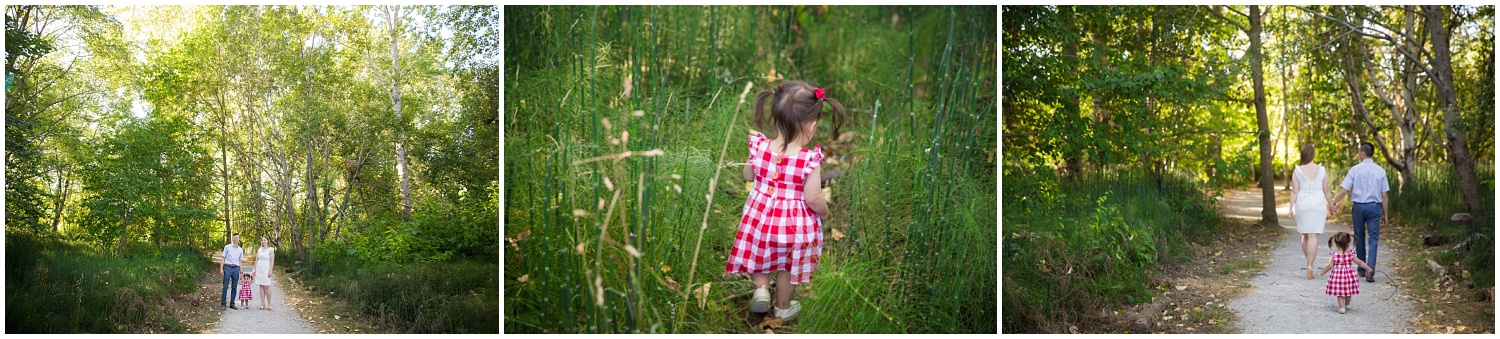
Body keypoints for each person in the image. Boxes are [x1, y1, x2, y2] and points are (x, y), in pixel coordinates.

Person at [724, 80, 850, 322]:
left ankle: (760, 290)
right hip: (793, 225)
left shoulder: (760, 147)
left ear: (775, 118)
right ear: (812, 126)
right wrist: (824, 212)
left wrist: (758, 175)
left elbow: (748, 175)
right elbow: (813, 197)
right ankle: (782, 307)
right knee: (787, 267)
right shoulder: (808, 159)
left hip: (759, 217)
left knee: (760, 254)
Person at [1329, 141, 1391, 283]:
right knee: (1374, 239)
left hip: (1358, 208)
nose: (1358, 154)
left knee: (1359, 237)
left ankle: (1362, 270)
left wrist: (1334, 203)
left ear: (1363, 153)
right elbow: (1384, 196)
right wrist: (1385, 213)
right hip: (1374, 207)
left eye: (1359, 152)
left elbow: (1344, 190)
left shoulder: (1355, 170)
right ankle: (1370, 271)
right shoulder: (1380, 171)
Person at [1288, 144, 1333, 280]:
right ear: (1313, 154)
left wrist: (1290, 208)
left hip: (1302, 204)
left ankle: (1309, 263)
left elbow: (1295, 191)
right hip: (1317, 205)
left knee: (1305, 236)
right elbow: (1326, 190)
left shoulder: (1297, 171)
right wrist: (1332, 205)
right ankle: (1310, 267)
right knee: (1314, 236)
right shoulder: (1322, 170)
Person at [1319, 232, 1376, 314]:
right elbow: (1359, 262)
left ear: (1336, 244)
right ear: (1348, 244)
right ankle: (1347, 304)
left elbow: (1330, 265)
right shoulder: (1351, 254)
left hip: (1337, 276)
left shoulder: (1334, 254)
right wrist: (1368, 268)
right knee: (1348, 290)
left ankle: (1342, 307)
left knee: (1340, 292)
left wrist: (1324, 271)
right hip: (1349, 275)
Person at [220, 233, 244, 310]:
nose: (236, 239)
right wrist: (221, 268)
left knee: (234, 287)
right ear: (232, 238)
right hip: (228, 267)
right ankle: (223, 304)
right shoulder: (227, 247)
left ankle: (232, 303)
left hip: (236, 268)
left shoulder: (240, 249)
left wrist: (241, 272)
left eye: (237, 238)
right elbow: (223, 258)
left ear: (239, 239)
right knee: (225, 286)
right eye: (234, 237)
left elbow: (240, 261)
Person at [255, 236, 277, 311]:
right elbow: (256, 260)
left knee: (266, 286)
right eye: (262, 240)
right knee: (261, 286)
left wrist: (270, 270)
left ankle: (269, 303)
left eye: (265, 240)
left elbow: (272, 261)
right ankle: (262, 303)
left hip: (266, 269)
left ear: (267, 241)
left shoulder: (271, 250)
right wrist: (254, 269)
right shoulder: (259, 249)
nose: (263, 241)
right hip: (259, 269)